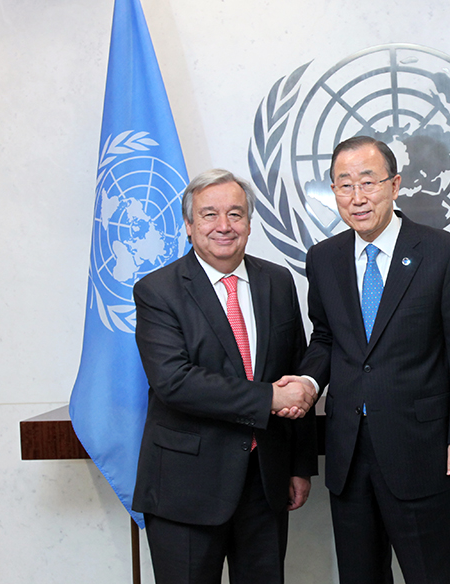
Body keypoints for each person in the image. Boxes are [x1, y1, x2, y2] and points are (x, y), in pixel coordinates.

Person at [288, 136, 450, 583]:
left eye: (368, 182)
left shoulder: (444, 252)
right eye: (344, 185)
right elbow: (324, 338)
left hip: (422, 449)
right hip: (348, 450)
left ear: (395, 185)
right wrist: (307, 382)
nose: (357, 198)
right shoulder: (324, 258)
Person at [131, 169, 318, 584]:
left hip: (265, 482)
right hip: (186, 489)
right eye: (209, 214)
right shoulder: (158, 291)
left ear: (249, 224)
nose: (223, 226)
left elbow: (296, 370)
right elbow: (174, 381)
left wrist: (299, 465)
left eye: (235, 214)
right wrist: (266, 398)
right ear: (189, 225)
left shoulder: (277, 281)